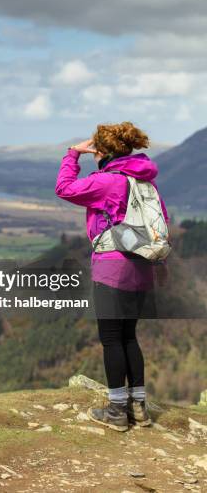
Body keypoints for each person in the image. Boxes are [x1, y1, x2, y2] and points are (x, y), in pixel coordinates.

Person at [55, 121, 169, 432]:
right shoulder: (145, 182)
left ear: (102, 151)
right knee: (129, 336)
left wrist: (72, 154)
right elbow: (160, 223)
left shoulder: (107, 181)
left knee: (110, 339)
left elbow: (64, 188)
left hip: (112, 267)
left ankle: (117, 411)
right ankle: (139, 408)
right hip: (142, 267)